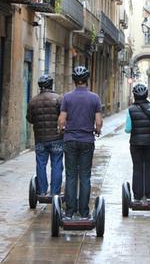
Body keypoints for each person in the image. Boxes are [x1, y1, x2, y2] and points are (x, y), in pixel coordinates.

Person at [58, 66, 103, 219]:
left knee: (71, 176)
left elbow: (61, 120)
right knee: (85, 176)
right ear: (87, 80)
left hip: (70, 140)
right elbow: (98, 122)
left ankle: (69, 212)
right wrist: (97, 130)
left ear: (74, 81)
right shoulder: (94, 98)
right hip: (87, 141)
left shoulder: (67, 98)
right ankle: (84, 212)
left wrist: (62, 129)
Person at [26, 75, 63, 196]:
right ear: (51, 85)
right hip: (56, 138)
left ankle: (42, 191)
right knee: (56, 164)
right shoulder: (58, 99)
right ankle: (54, 193)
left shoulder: (33, 101)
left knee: (41, 164)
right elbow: (63, 118)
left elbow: (30, 119)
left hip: (40, 139)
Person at [125, 83, 150, 202]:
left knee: (137, 168)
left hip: (135, 144)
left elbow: (128, 129)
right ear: (146, 95)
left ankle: (137, 196)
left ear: (134, 96)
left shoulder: (130, 110)